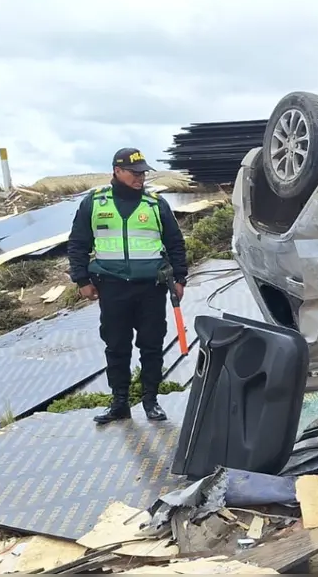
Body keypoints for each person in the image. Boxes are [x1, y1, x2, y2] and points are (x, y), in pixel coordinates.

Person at [66, 147, 189, 425]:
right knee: (116, 345)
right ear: (117, 171)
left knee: (152, 345)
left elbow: (175, 244)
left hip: (151, 289)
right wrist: (81, 280)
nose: (140, 177)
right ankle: (119, 403)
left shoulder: (155, 204)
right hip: (112, 287)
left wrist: (180, 278)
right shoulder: (95, 203)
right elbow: (78, 244)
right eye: (134, 173)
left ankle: (151, 401)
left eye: (143, 172)